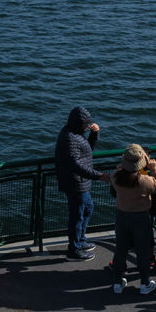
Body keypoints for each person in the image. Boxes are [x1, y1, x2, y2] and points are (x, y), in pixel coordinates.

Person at [54, 106, 111, 261]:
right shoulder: (70, 137)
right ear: (78, 123)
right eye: (85, 124)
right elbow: (75, 164)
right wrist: (99, 176)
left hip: (81, 181)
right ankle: (74, 250)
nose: (87, 126)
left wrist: (94, 134)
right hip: (75, 183)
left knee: (86, 209)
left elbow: (87, 151)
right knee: (77, 216)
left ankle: (80, 241)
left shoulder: (76, 134)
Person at [110, 144, 156, 294]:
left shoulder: (115, 177)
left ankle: (118, 282)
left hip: (121, 215)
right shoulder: (144, 181)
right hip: (141, 217)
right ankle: (145, 283)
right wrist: (154, 169)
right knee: (142, 251)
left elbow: (119, 171)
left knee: (121, 250)